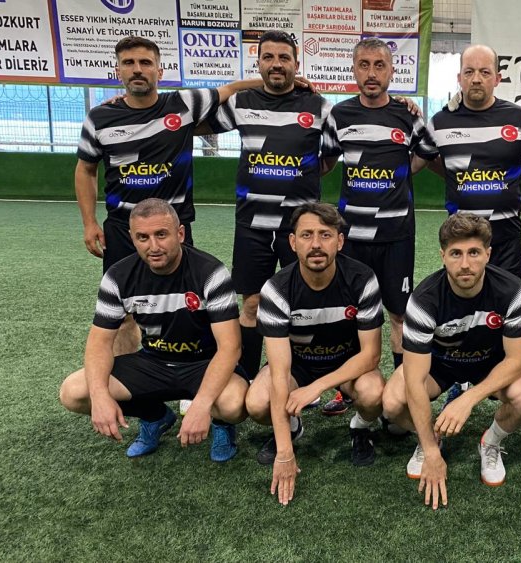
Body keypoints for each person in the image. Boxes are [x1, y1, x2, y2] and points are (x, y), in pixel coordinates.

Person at [75, 36, 261, 355]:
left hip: (175, 226)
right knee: (123, 313)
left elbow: (232, 89)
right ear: (118, 71)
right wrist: (89, 222)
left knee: (187, 304)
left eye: (145, 63)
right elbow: (85, 169)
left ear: (159, 71)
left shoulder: (183, 104)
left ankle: (188, 369)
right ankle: (129, 376)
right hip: (122, 229)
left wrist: (290, 84)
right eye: (129, 63)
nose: (137, 69)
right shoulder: (99, 118)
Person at [58, 198, 248, 462]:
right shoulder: (117, 277)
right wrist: (99, 397)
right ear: (132, 239)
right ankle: (155, 416)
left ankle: (221, 424)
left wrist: (202, 405)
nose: (154, 246)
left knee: (234, 404)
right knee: (74, 392)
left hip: (203, 363)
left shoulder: (210, 273)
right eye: (143, 237)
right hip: (153, 363)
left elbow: (230, 348)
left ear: (180, 234)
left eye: (161, 234)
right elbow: (99, 344)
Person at [381, 213, 521, 510]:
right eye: (456, 254)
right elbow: (414, 379)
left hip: (490, 364)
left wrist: (468, 399)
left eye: (474, 253)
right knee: (392, 402)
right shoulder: (424, 300)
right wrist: (431, 452)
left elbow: (516, 360)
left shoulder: (512, 290)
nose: (465, 264)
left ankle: (491, 442)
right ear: (443, 256)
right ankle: (429, 439)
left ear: (488, 254)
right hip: (440, 366)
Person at [204, 30, 332, 380]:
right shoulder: (242, 103)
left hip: (300, 227)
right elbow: (194, 124)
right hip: (252, 224)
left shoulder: (318, 106)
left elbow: (330, 156)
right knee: (251, 303)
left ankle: (300, 379)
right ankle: (245, 379)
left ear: (296, 64)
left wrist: (303, 174)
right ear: (258, 62)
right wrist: (242, 85)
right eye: (269, 58)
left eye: (284, 58)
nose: (277, 64)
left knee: (304, 303)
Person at [246, 203, 385, 505]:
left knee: (374, 393)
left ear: (340, 241)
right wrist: (285, 452)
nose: (316, 244)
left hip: (348, 363)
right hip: (296, 367)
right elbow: (280, 371)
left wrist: (318, 387)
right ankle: (292, 429)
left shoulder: (362, 279)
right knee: (257, 403)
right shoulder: (277, 289)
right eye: (306, 235)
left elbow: (371, 355)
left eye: (325, 235)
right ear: (293, 242)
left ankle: (360, 427)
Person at [322, 38, 438, 374]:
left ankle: (401, 382)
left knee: (399, 314)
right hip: (351, 236)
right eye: (364, 65)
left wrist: (402, 173)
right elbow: (326, 160)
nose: (371, 73)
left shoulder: (407, 115)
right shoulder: (339, 115)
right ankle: (352, 385)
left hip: (396, 234)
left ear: (391, 71)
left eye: (379, 65)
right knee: (351, 312)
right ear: (354, 70)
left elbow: (427, 153)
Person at [428, 44, 521, 279]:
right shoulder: (439, 122)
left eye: (485, 72)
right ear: (459, 78)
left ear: (497, 78)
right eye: (469, 72)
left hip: (507, 240)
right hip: (460, 240)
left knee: (509, 300)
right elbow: (419, 160)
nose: (476, 79)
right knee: (462, 300)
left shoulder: (520, 119)